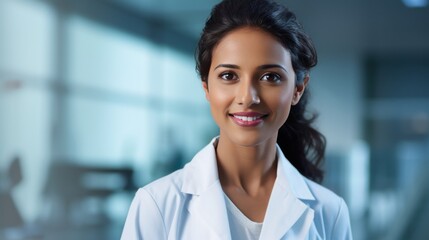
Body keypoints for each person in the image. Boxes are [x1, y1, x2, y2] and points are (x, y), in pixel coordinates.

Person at [121, 0, 353, 239]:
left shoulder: (330, 213)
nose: (247, 97)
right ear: (206, 88)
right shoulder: (157, 206)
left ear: (298, 89)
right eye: (229, 75)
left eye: (270, 77)